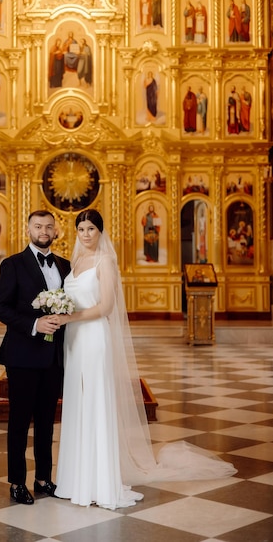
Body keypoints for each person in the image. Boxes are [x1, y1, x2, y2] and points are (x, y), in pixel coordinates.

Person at [53, 210, 236, 510]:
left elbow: (106, 306)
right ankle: (76, 481)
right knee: (77, 403)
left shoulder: (105, 262)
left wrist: (69, 316)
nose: (85, 234)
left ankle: (101, 482)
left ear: (100, 231)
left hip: (94, 337)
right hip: (73, 340)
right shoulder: (72, 264)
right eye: (81, 229)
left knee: (96, 403)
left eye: (91, 228)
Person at [0, 210, 71, 505]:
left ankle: (43, 479)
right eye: (38, 226)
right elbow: (0, 308)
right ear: (28, 229)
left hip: (54, 356)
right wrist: (34, 324)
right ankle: (16, 482)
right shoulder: (12, 264)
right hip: (23, 354)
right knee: (19, 421)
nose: (43, 230)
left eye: (49, 226)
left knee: (47, 421)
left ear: (56, 230)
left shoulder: (64, 265)